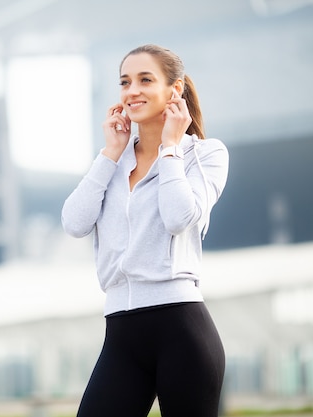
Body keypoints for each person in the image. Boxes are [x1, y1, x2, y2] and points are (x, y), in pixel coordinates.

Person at [61, 44, 229, 417]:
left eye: (145, 79)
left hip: (181, 329)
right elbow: (74, 223)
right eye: (125, 82)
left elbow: (178, 217)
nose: (131, 90)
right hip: (121, 332)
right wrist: (110, 154)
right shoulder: (113, 161)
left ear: (175, 90)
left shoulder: (205, 155)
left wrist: (169, 147)